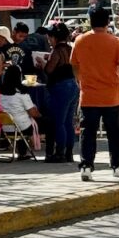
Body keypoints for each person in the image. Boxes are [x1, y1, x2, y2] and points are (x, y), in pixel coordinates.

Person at [71, 7, 119, 181]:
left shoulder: (80, 41)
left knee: (88, 132)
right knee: (114, 133)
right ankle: (116, 165)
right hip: (111, 96)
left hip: (88, 96)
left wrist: (80, 81)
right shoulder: (116, 42)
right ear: (108, 22)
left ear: (90, 21)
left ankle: (86, 165)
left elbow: (75, 65)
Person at [44, 22, 78, 163]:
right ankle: (69, 152)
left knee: (58, 122)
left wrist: (43, 63)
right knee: (68, 122)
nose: (49, 40)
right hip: (73, 86)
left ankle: (59, 153)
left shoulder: (57, 51)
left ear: (54, 38)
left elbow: (49, 70)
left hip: (60, 88)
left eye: (50, 37)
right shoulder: (71, 49)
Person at [0, 65, 39, 158]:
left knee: (19, 120)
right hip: (22, 128)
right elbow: (33, 113)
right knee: (39, 121)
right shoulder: (22, 94)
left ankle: (22, 152)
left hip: (5, 128)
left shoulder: (0, 94)